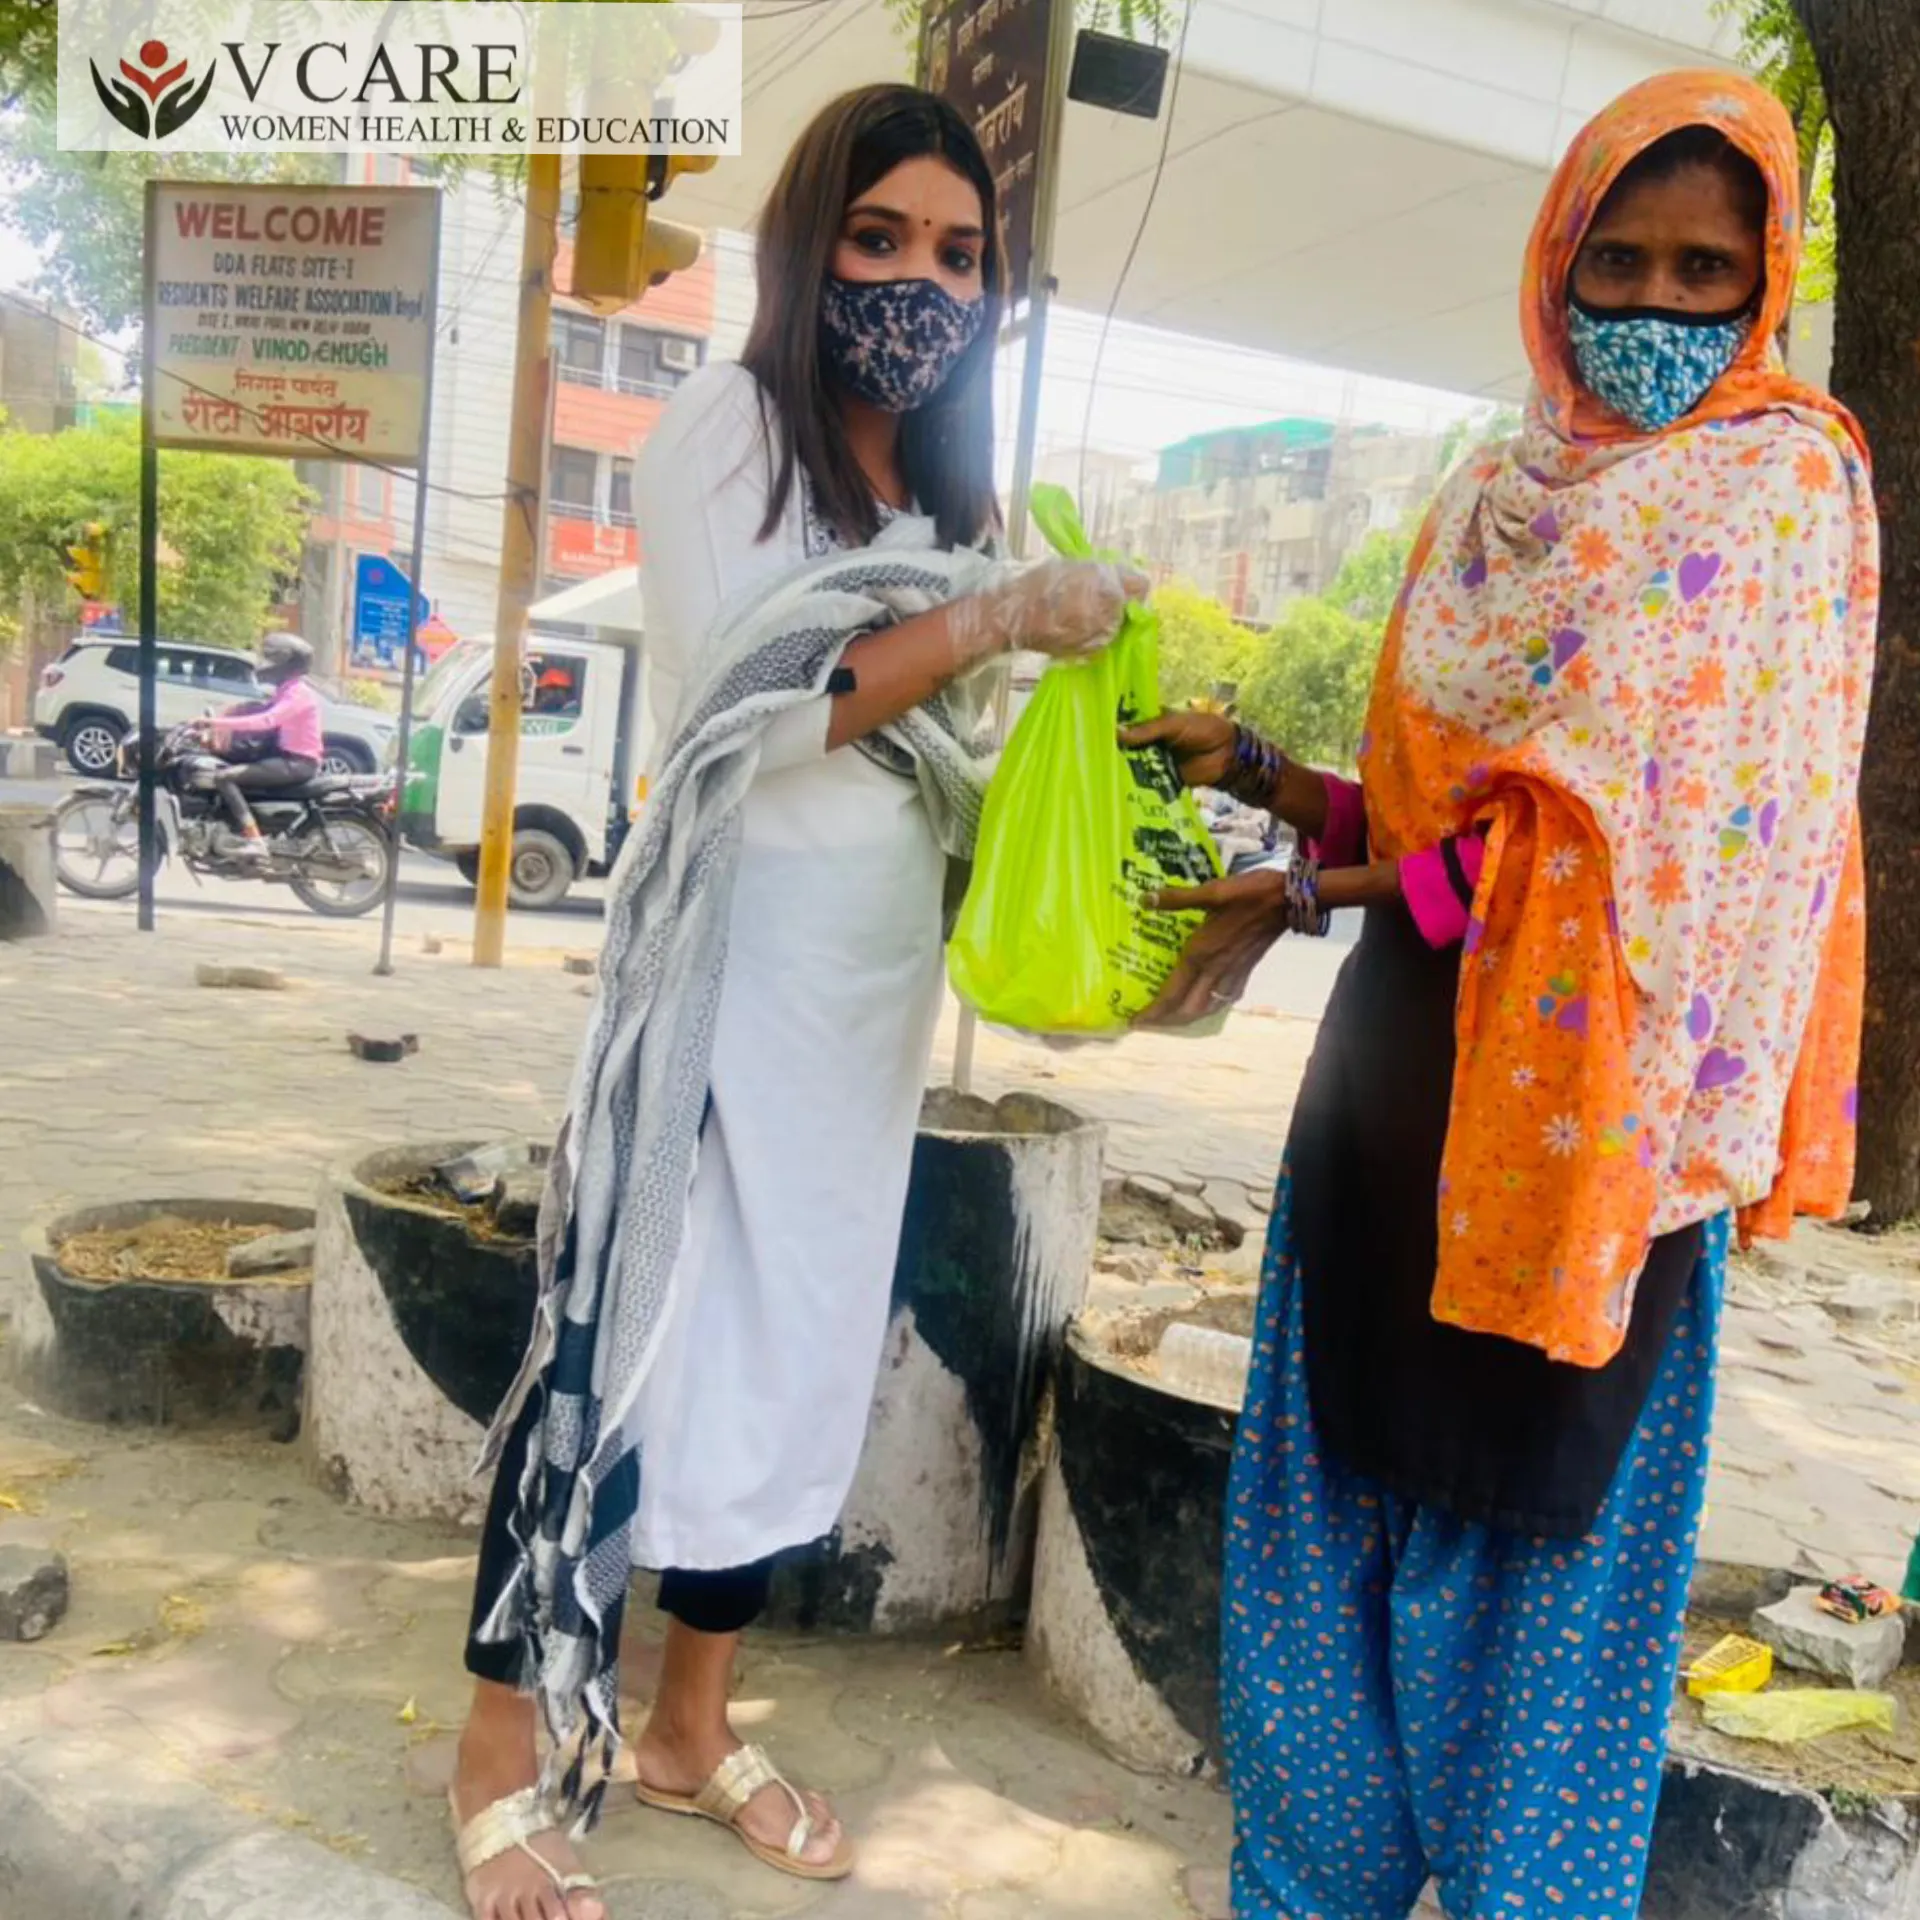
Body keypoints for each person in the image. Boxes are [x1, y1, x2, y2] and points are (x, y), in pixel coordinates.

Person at [1131, 72, 1875, 1919]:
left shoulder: (1784, 495)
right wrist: (1275, 782)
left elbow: (1617, 856)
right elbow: (1446, 839)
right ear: (1556, 262)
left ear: (1765, 281)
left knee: (1541, 1629)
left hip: (1596, 1170)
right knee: (1320, 1584)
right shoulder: (1491, 495)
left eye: (1703, 271)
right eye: (1618, 259)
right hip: (1392, 1107)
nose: (1652, 305)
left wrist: (1321, 889)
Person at [447, 84, 1145, 1920]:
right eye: (880, 238)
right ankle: (498, 1755)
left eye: (961, 256)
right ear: (808, 246)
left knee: (792, 1361)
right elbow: (751, 715)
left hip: (861, 1010)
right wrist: (994, 620)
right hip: (718, 982)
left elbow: (941, 762)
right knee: (629, 1342)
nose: (924, 284)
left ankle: (688, 1729)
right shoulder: (726, 429)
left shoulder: (943, 502)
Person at [199, 632, 323, 857]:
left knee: (224, 778)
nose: (265, 664)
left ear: (286, 663)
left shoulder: (298, 694)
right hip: (286, 759)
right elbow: (260, 713)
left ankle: (254, 839)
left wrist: (215, 723)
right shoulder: (287, 690)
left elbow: (266, 721)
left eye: (272, 658)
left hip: (297, 763)